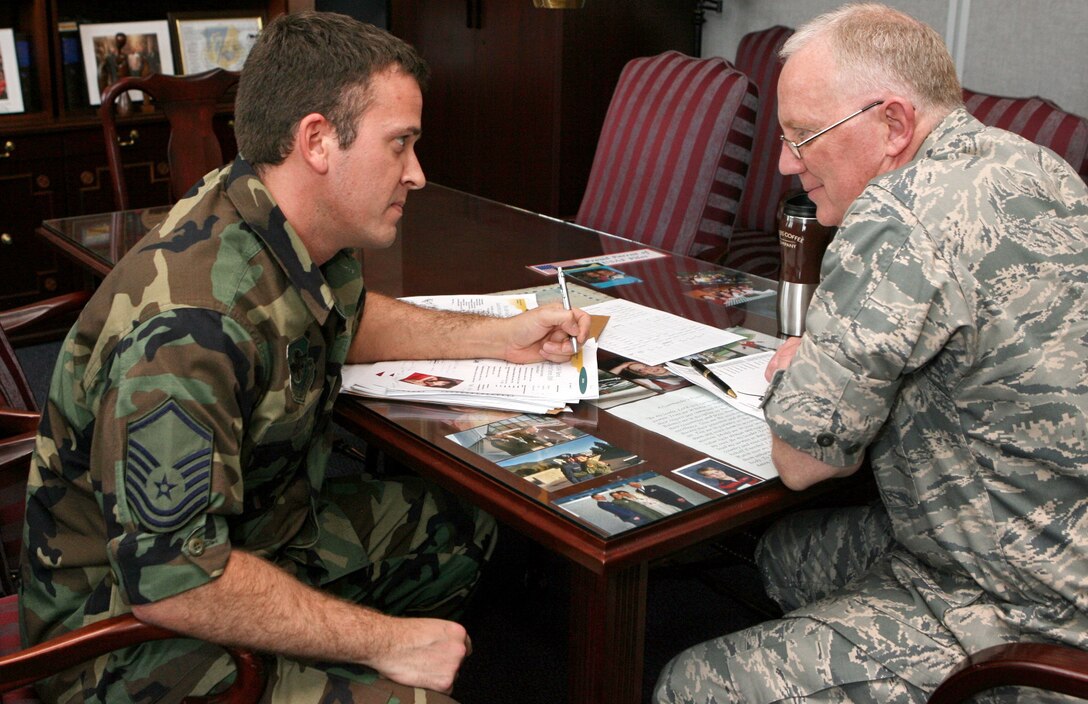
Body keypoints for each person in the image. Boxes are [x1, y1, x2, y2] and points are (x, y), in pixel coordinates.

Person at [21, 12, 589, 704]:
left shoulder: (269, 218)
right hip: (123, 637)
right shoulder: (188, 330)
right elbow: (174, 580)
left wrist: (499, 335)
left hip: (254, 531)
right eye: (400, 145)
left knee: (465, 530)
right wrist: (388, 641)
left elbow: (350, 318)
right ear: (318, 141)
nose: (417, 173)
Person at [656, 3, 1087, 703]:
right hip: (1041, 541)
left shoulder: (900, 212)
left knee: (687, 683)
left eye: (803, 136)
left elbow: (804, 461)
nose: (785, 163)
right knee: (784, 556)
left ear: (892, 124)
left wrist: (797, 367)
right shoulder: (1038, 168)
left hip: (1021, 610)